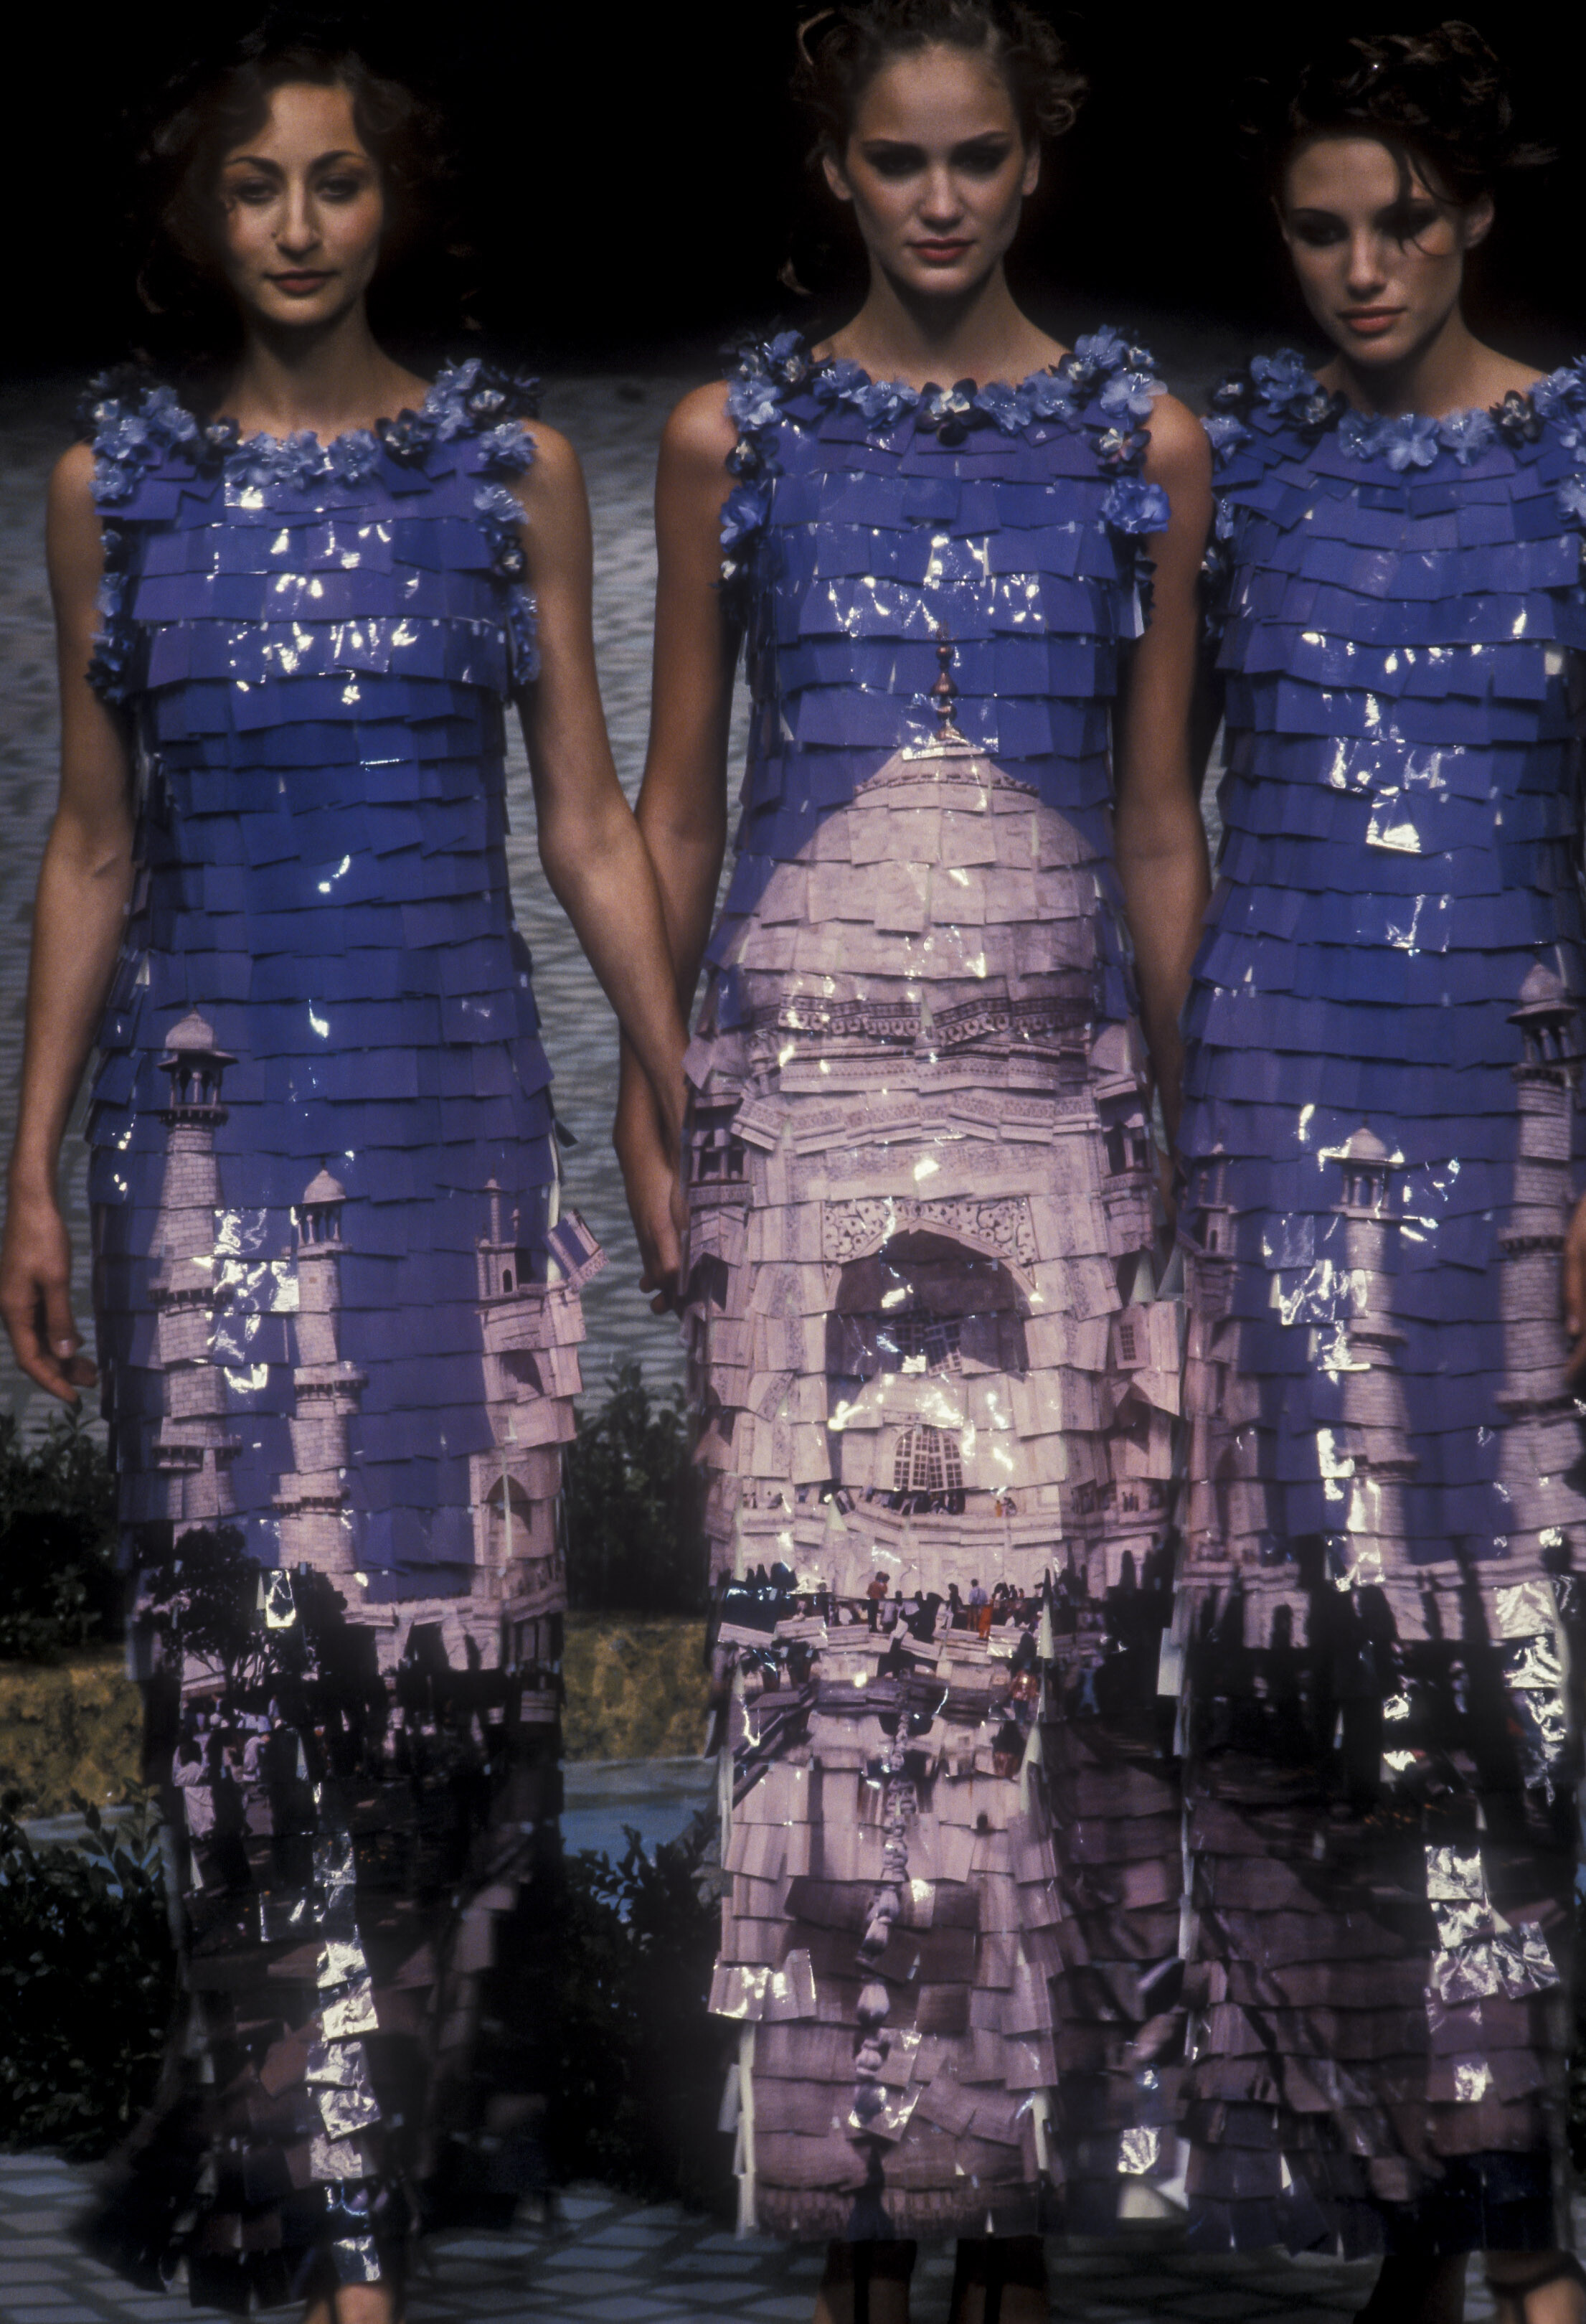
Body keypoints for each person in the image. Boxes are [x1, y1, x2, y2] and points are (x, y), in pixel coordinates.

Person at [0, 29, 686, 2318]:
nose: (296, 225)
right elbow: (90, 847)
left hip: (448, 1130)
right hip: (200, 1147)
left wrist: (671, 1074)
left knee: (445, 1674)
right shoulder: (112, 490)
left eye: (335, 182)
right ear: (198, 218)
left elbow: (583, 819)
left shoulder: (508, 474)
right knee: (234, 1678)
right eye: (254, 186)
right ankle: (328, 2232)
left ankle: (372, 2167)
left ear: (395, 204)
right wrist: (27, 1171)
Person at [615, 2, 1211, 2313]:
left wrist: (1188, 1138)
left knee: (1040, 1666)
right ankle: (852, 2211)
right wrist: (655, 1092)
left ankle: (1010, 2214)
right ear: (837, 173)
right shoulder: (732, 437)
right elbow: (677, 806)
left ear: (1031, 166)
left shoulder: (1141, 441)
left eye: (974, 158)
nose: (938, 198)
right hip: (798, 1104)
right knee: (809, 1662)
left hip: (1060, 1109)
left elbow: (1153, 817)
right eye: (897, 160)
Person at [1176, 24, 1586, 2324]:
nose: (1361, 267)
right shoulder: (1234, 473)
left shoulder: (1575, 463)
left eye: (1400, 222)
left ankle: (1512, 2194)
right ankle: (1417, 2197)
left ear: (1473, 217)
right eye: (1319, 230)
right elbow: (1157, 815)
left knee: (1507, 1659)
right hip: (1267, 1113)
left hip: (1507, 1123)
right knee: (1323, 1668)